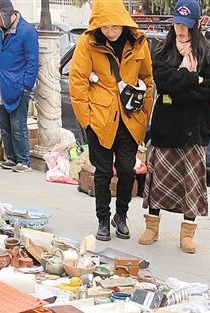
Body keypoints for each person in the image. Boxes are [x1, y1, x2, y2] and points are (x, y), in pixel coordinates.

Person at [69, 0, 153, 242]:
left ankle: (122, 216)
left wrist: (144, 113)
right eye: (105, 28)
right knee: (103, 173)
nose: (111, 32)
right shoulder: (88, 42)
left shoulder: (138, 42)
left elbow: (148, 79)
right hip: (99, 118)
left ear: (123, 22)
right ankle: (103, 220)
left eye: (115, 27)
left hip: (129, 118)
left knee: (127, 170)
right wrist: (86, 119)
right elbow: (78, 82)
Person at [139, 0, 210, 255]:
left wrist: (181, 88)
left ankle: (187, 233)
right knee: (159, 178)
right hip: (166, 126)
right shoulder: (163, 50)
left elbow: (208, 91)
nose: (180, 29)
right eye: (177, 23)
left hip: (193, 128)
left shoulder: (208, 52)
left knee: (191, 183)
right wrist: (194, 79)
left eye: (186, 24)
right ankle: (152, 226)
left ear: (195, 24)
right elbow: (163, 82)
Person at [0, 0, 37, 171]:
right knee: (4, 124)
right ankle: (12, 158)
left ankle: (24, 161)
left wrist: (26, 86)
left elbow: (32, 62)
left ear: (4, 14)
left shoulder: (27, 31)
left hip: (17, 86)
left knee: (17, 125)